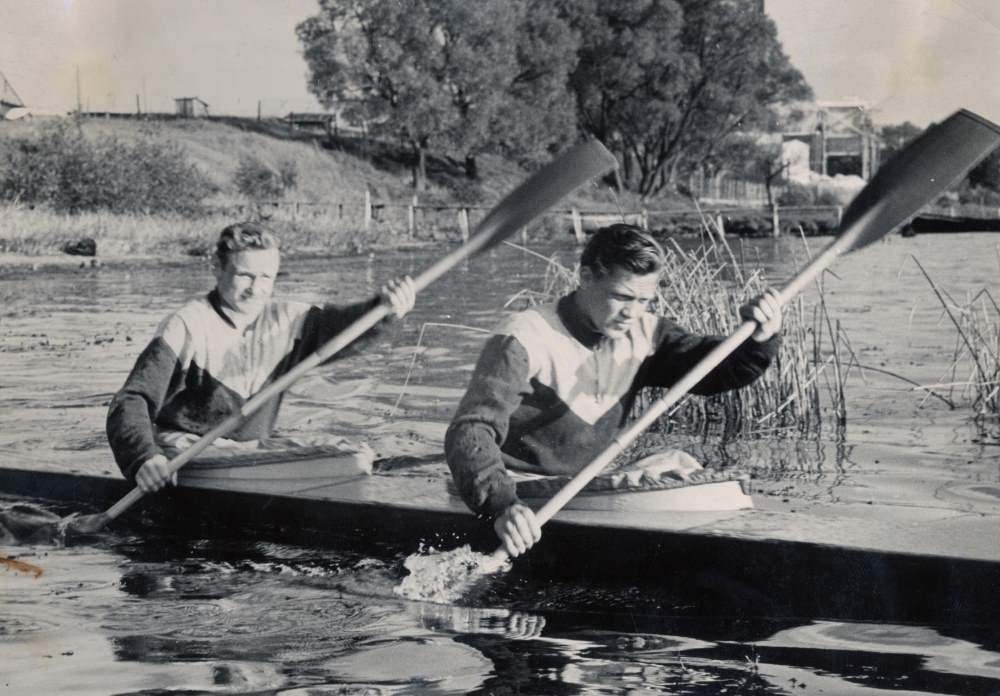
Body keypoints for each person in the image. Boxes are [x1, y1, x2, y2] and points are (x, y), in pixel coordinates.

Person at [445, 224, 782, 558]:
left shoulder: (646, 334)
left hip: (585, 487)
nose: (631, 313)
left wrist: (760, 339)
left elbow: (720, 372)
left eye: (644, 300)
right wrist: (502, 505)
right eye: (621, 297)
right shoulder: (523, 337)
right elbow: (470, 431)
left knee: (690, 471)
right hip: (518, 490)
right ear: (586, 277)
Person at [107, 221, 416, 493]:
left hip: (248, 452)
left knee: (353, 455)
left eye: (266, 277)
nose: (257, 289)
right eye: (245, 276)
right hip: (183, 451)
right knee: (340, 463)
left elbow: (348, 325)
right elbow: (132, 399)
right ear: (217, 267)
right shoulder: (185, 324)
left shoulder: (289, 319)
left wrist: (386, 308)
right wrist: (143, 457)